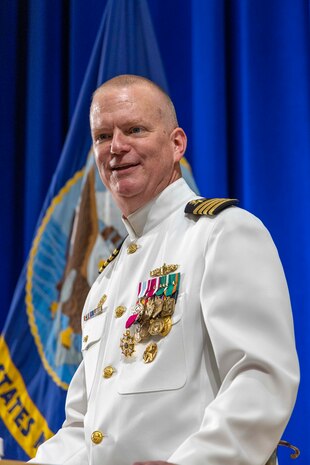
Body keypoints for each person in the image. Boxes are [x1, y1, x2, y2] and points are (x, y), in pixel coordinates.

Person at [31, 74, 299, 465]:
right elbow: (83, 429)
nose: (116, 148)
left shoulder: (223, 233)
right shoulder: (104, 283)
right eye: (103, 136)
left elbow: (260, 377)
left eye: (135, 129)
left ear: (176, 144)